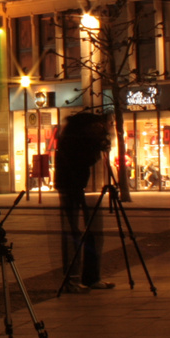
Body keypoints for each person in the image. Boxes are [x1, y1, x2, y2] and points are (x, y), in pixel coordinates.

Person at [55, 110, 114, 290]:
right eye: (98, 126)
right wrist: (98, 147)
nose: (101, 129)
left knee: (88, 232)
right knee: (74, 233)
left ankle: (88, 277)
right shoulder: (75, 141)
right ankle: (74, 279)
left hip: (74, 187)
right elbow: (83, 161)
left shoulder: (72, 137)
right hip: (71, 187)